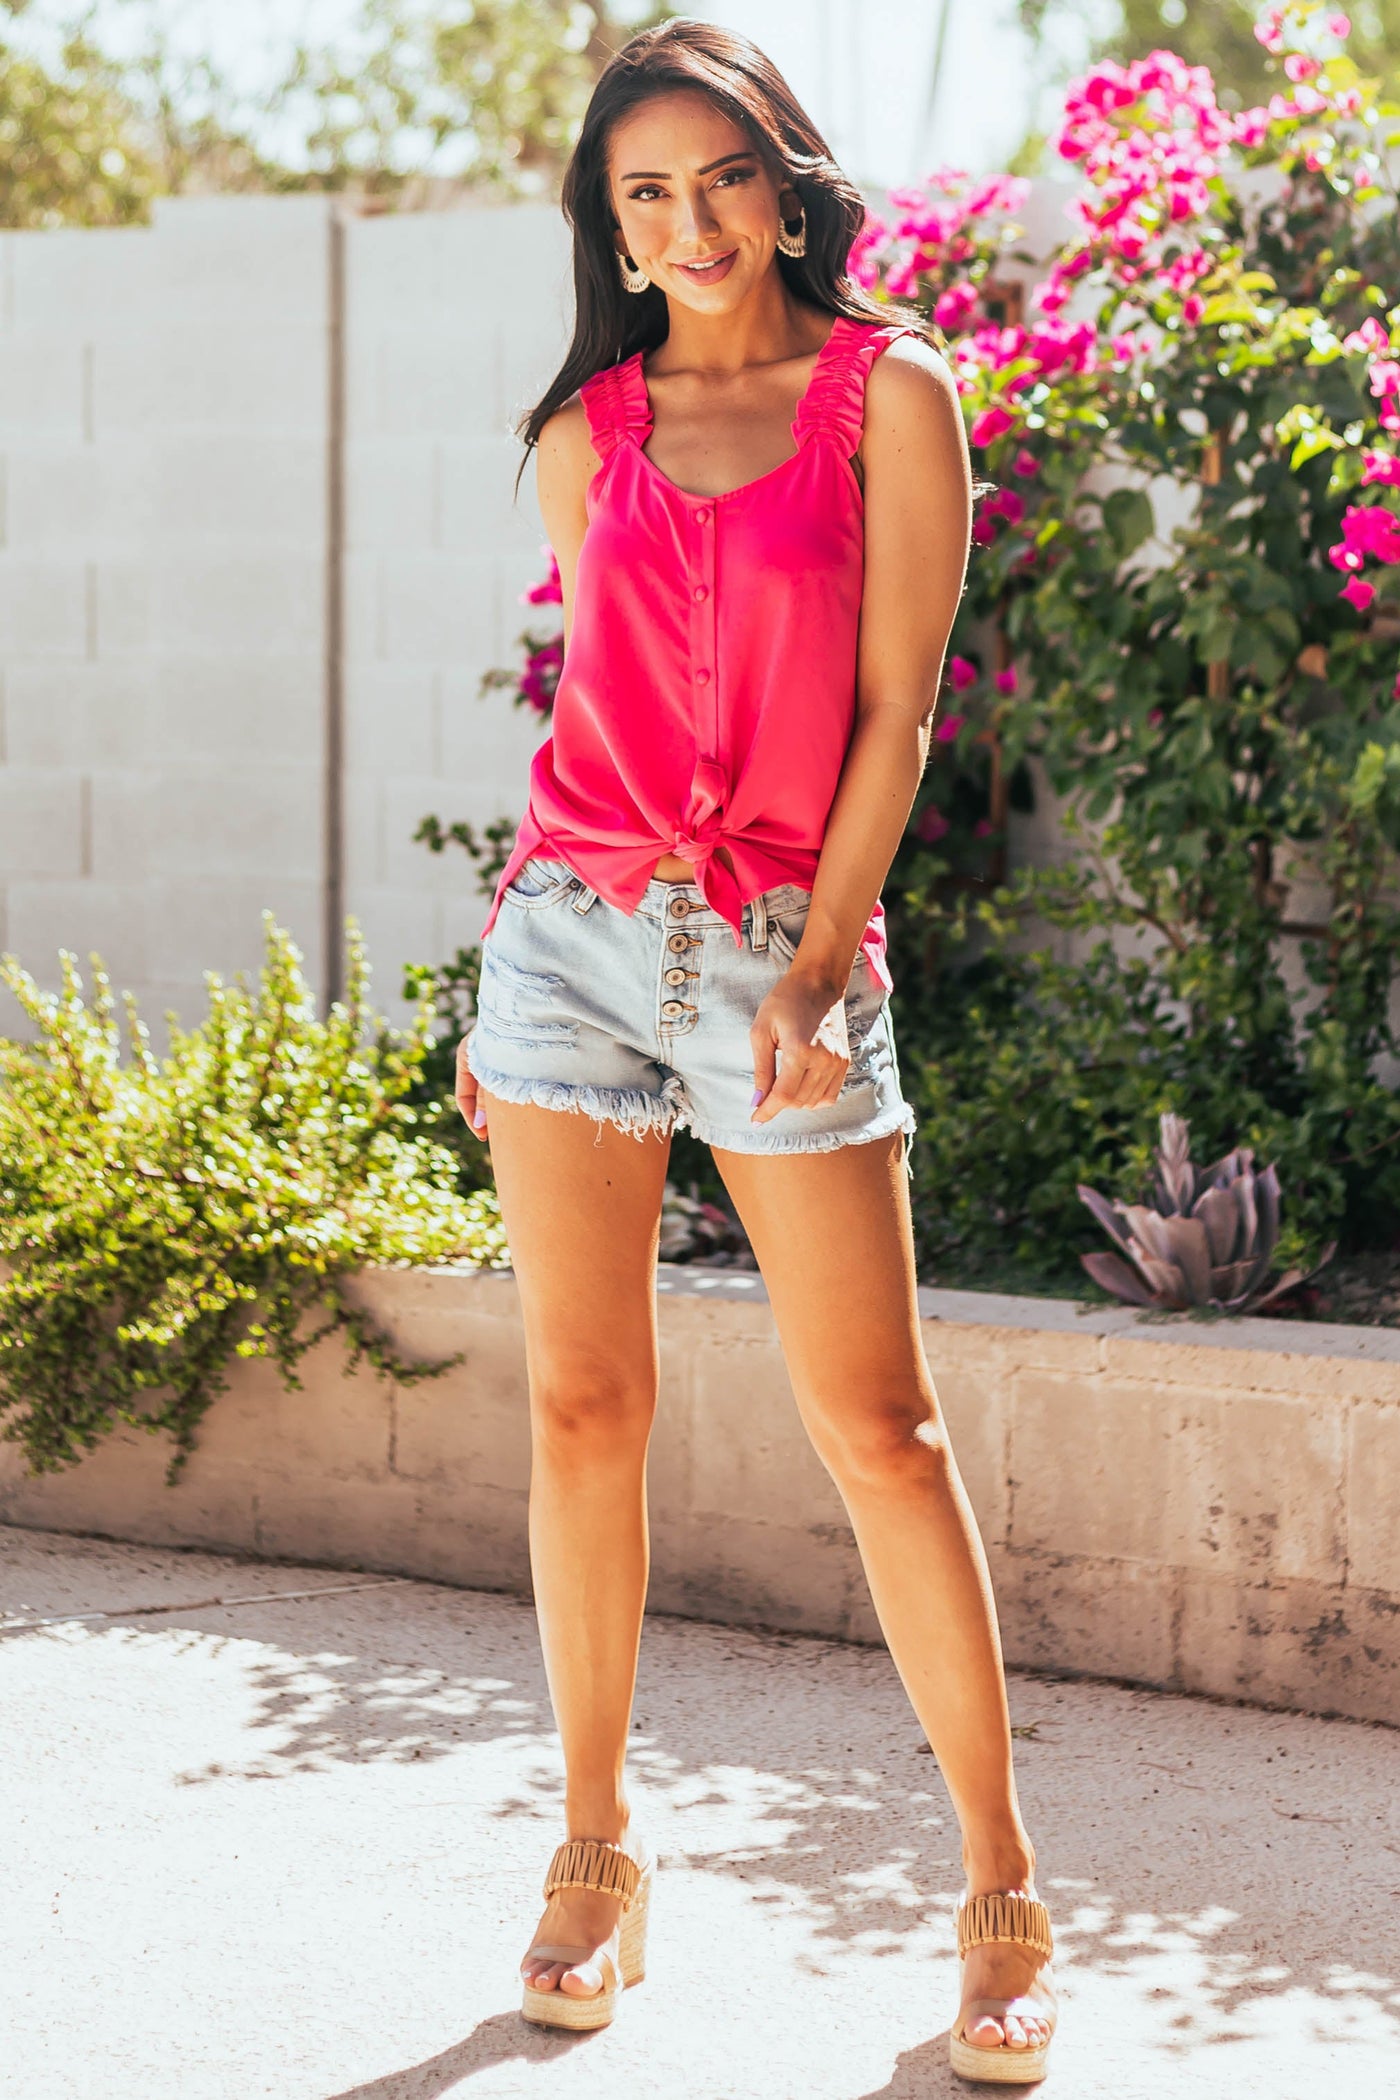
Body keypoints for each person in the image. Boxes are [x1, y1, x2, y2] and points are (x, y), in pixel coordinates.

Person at [455, 17, 1058, 2084]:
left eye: (722, 176)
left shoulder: (892, 394)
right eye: (648, 192)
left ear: (785, 183)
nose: (692, 221)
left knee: (879, 1428)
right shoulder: (589, 427)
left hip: (780, 955)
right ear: (611, 229)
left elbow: (897, 712)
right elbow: (593, 714)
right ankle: (595, 1849)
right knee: (581, 1411)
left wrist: (810, 968)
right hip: (569, 944)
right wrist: (507, 969)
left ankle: (999, 1881)